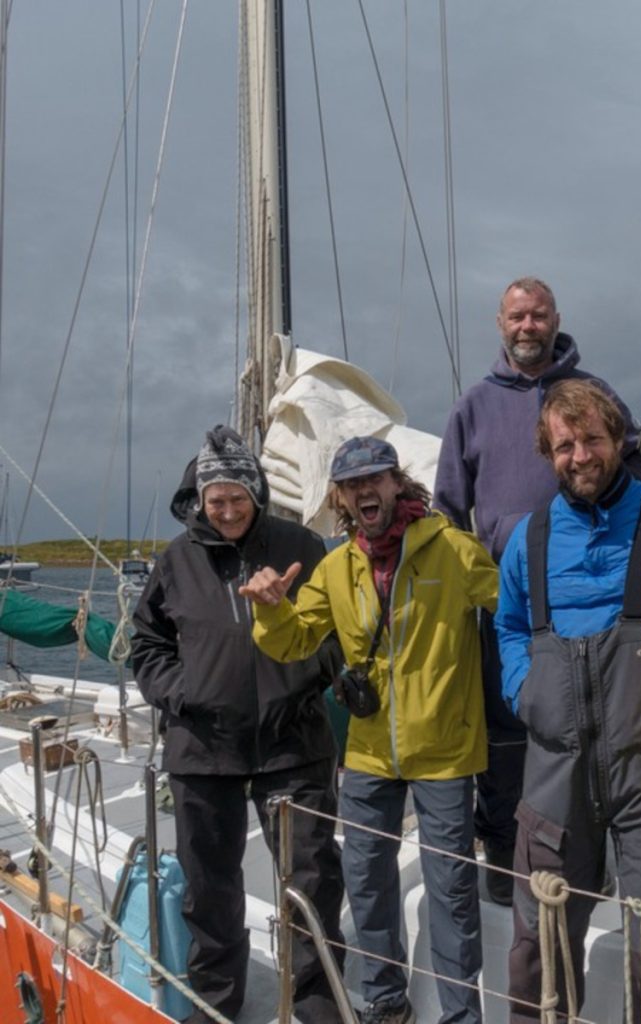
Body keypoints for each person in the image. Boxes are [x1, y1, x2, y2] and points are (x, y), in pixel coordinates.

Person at [241, 436, 497, 1024]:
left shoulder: (454, 551)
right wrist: (271, 608)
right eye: (352, 484)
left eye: (375, 479)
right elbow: (293, 641)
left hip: (447, 751)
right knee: (366, 881)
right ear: (341, 496)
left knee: (453, 892)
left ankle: (461, 1015)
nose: (365, 491)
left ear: (396, 482)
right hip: (369, 754)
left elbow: (510, 606)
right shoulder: (335, 568)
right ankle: (386, 1000)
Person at [434, 276, 641, 905]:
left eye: (538, 316)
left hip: (595, 600)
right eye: (517, 317)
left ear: (557, 318)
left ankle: (597, 864)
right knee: (507, 738)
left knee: (594, 736)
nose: (527, 326)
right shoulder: (472, 407)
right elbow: (449, 514)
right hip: (511, 605)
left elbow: (634, 476)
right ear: (499, 323)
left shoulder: (592, 393)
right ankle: (506, 863)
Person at [496, 379, 641, 1023]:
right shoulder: (526, 540)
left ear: (620, 439)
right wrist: (524, 691)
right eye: (564, 445)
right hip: (553, 772)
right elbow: (507, 627)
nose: (579, 456)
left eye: (591, 439)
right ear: (547, 453)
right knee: (542, 944)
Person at [132, 425, 345, 1024]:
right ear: (199, 500)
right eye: (215, 500)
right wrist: (183, 693)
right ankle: (216, 1002)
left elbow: (337, 633)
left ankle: (318, 1001)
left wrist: (306, 679)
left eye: (237, 498)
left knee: (312, 881)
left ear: (257, 493)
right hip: (204, 749)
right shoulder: (176, 561)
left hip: (294, 745)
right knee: (209, 888)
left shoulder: (301, 544)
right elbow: (147, 644)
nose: (226, 511)